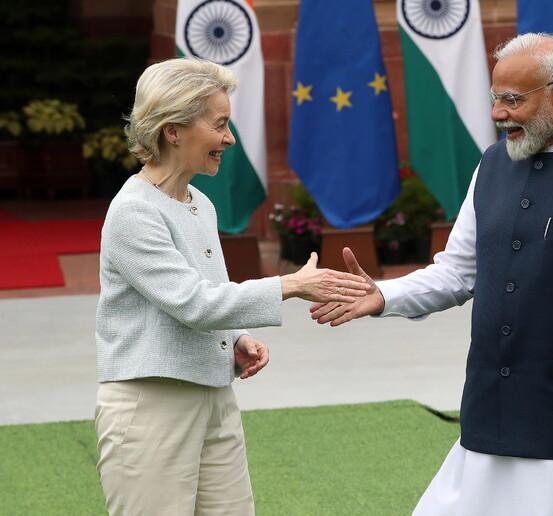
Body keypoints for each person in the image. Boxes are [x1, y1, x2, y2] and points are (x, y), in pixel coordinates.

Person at [311, 33, 553, 516]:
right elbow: (457, 272)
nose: (497, 113)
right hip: (490, 422)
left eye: (512, 99)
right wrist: (382, 295)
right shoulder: (491, 165)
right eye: (495, 98)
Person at [94, 57, 369, 516]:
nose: (230, 139)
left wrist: (234, 339)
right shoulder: (133, 212)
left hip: (215, 396)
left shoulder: (200, 203)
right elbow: (194, 303)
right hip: (150, 407)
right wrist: (291, 285)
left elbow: (206, 294)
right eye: (219, 124)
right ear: (173, 130)